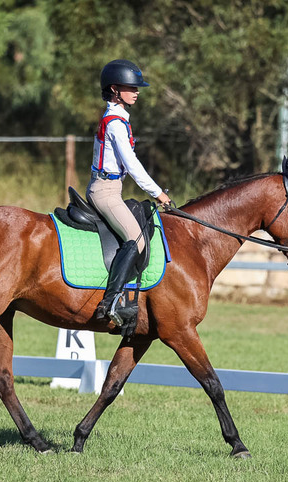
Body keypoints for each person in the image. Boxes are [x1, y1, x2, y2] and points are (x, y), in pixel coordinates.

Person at [88, 59, 172, 326]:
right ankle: (111, 302)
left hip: (113, 187)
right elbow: (132, 164)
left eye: (137, 87)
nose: (137, 91)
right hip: (105, 191)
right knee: (136, 239)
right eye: (130, 87)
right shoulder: (114, 123)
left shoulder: (119, 119)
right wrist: (157, 192)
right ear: (115, 90)